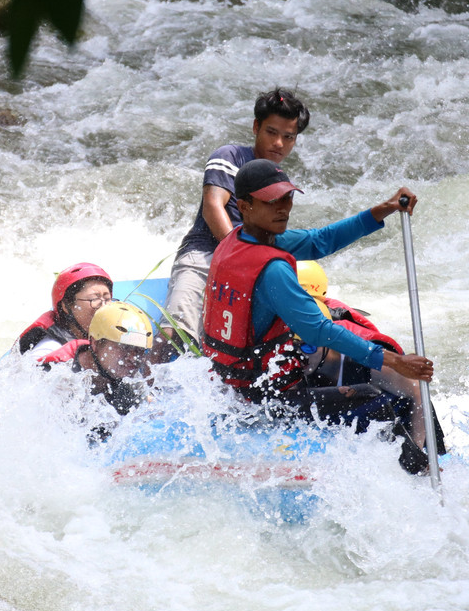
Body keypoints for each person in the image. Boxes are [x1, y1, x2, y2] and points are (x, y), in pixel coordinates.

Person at [201, 159, 444, 475]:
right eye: (272, 201)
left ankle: (440, 458)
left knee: (404, 381)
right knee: (377, 401)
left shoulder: (238, 239)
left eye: (287, 197)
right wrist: (393, 361)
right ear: (244, 206)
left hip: (242, 380)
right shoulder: (273, 271)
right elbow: (318, 330)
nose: (283, 208)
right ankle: (417, 476)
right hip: (263, 399)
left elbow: (320, 241)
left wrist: (382, 210)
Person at [163, 87, 310, 348]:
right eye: (271, 132)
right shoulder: (229, 156)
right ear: (256, 127)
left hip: (249, 269)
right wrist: (239, 259)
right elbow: (212, 206)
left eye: (288, 137)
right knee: (176, 334)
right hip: (205, 256)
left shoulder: (280, 180)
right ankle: (147, 387)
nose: (278, 143)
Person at [295, 260, 445, 465]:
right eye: (293, 347)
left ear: (329, 342)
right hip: (344, 409)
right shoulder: (291, 349)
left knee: (368, 394)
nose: (300, 356)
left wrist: (417, 450)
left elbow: (418, 393)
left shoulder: (364, 359)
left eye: (308, 347)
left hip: (391, 417)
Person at [72, 300, 155, 420]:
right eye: (124, 347)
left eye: (140, 350)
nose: (133, 358)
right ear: (95, 344)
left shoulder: (131, 380)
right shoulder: (63, 382)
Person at [16, 262, 113, 365]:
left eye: (107, 299)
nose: (103, 306)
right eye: (94, 299)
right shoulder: (48, 349)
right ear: (67, 306)